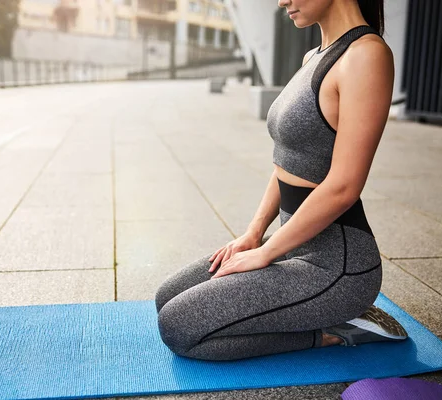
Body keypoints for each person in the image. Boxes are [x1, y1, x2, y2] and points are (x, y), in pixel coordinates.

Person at [154, 0, 409, 361]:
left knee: (178, 326)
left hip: (337, 267)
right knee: (167, 297)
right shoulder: (313, 58)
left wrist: (266, 254)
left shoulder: (367, 55)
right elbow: (287, 163)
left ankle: (336, 331)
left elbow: (344, 186)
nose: (281, 1)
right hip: (293, 245)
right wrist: (253, 235)